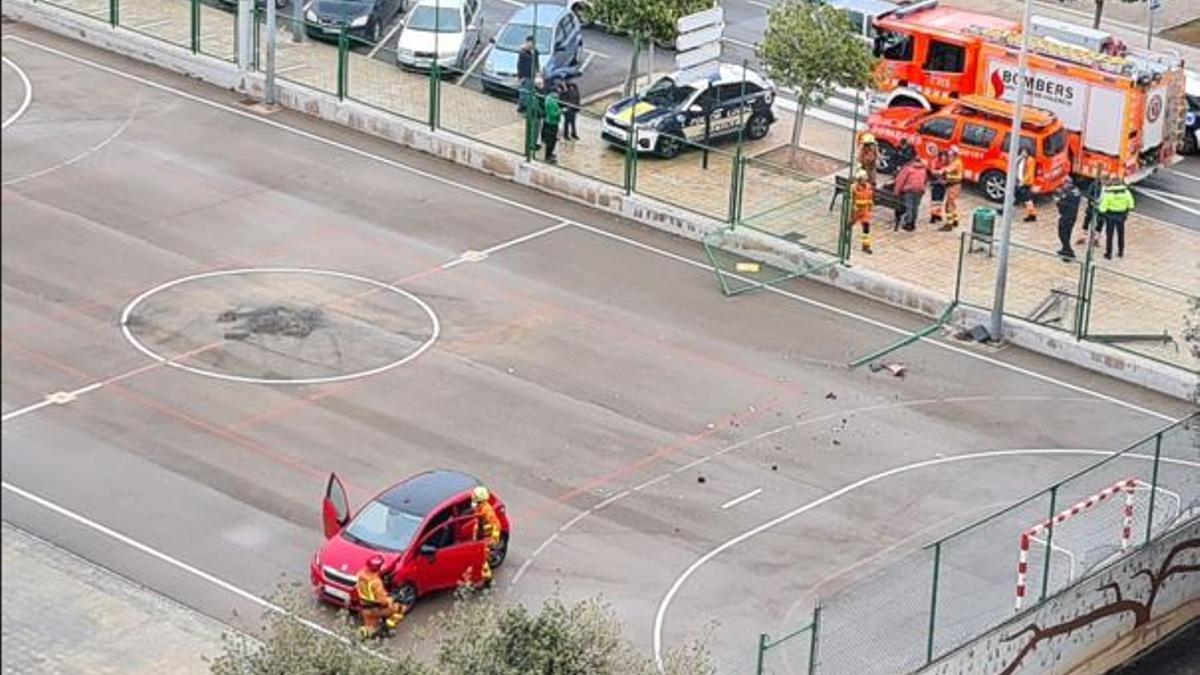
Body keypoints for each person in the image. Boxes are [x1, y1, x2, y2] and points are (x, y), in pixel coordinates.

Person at [356, 555, 404, 639]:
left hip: (364, 607)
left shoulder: (360, 574)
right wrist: (393, 598)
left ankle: (361, 634)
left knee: (370, 628)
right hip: (375, 609)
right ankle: (388, 628)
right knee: (399, 608)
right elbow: (383, 601)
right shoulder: (376, 582)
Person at [1098, 177, 1135, 259]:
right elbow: (1131, 205)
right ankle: (1121, 252)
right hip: (1121, 215)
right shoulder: (1126, 192)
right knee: (1121, 234)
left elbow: (1102, 208)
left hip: (1110, 215)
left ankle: (1108, 253)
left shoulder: (1109, 194)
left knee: (1109, 235)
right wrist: (1125, 211)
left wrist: (1100, 210)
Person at [472, 486, 502, 584]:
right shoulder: (481, 507)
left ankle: (487, 580)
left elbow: (496, 525)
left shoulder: (487, 511)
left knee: (483, 561)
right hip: (481, 536)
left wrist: (493, 541)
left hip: (486, 538)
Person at [892, 156, 928, 232]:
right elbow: (925, 181)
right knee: (915, 207)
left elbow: (900, 180)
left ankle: (908, 223)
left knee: (909, 207)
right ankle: (913, 223)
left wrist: (896, 191)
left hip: (910, 190)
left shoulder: (908, 168)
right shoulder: (923, 169)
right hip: (919, 190)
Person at [1053, 176, 1082, 260]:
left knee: (1062, 234)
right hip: (1073, 216)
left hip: (1066, 216)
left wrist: (1057, 200)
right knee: (1068, 233)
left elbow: (1063, 206)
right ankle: (1064, 249)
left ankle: (1069, 252)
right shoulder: (1076, 190)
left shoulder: (1067, 193)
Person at [851, 169, 875, 254]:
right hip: (855, 211)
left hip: (864, 211)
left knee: (866, 228)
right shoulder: (854, 188)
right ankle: (844, 239)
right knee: (848, 225)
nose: (865, 180)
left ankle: (866, 246)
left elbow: (870, 197)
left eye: (865, 178)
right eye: (863, 179)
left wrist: (870, 206)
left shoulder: (868, 186)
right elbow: (851, 200)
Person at [941, 146, 964, 231]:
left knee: (949, 205)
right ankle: (955, 220)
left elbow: (947, 170)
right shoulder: (956, 161)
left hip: (953, 186)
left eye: (950, 154)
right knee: (952, 204)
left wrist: (939, 171)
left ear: (954, 155)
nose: (949, 156)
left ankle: (949, 224)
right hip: (954, 185)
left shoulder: (956, 163)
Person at [1015, 146, 1037, 222]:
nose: (1023, 153)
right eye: (1022, 151)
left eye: (1025, 152)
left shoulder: (1030, 160)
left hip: (1025, 183)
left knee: (1027, 199)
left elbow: (1029, 173)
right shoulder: (1021, 159)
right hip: (1020, 182)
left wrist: (1023, 182)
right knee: (1014, 196)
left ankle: (1032, 215)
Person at [516, 37, 536, 113]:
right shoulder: (523, 53)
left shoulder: (530, 52)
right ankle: (522, 107)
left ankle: (524, 106)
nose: (532, 45)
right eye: (531, 43)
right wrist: (520, 76)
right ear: (527, 42)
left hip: (530, 75)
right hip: (525, 76)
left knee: (528, 91)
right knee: (524, 92)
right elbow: (520, 65)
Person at [927, 149, 947, 226]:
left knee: (940, 201)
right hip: (935, 184)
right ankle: (933, 216)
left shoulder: (947, 163)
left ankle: (938, 214)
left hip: (943, 184)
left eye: (945, 157)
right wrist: (939, 172)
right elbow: (932, 171)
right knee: (934, 200)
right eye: (943, 157)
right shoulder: (935, 161)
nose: (944, 159)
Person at [541, 88, 561, 163]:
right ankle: (548, 156)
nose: (558, 95)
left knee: (552, 140)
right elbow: (552, 114)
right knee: (551, 141)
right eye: (557, 93)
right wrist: (560, 111)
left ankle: (550, 154)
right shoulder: (551, 101)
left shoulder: (549, 99)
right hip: (552, 123)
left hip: (551, 122)